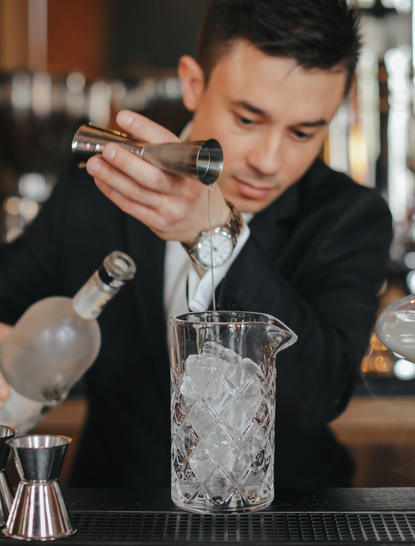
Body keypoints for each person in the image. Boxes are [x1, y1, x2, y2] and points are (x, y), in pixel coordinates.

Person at [0, 0, 392, 490]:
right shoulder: (106, 183)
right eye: (248, 119)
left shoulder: (349, 216)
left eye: (303, 132)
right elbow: (10, 299)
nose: (269, 161)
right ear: (192, 82)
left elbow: (318, 394)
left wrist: (211, 233)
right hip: (116, 508)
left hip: (288, 518)